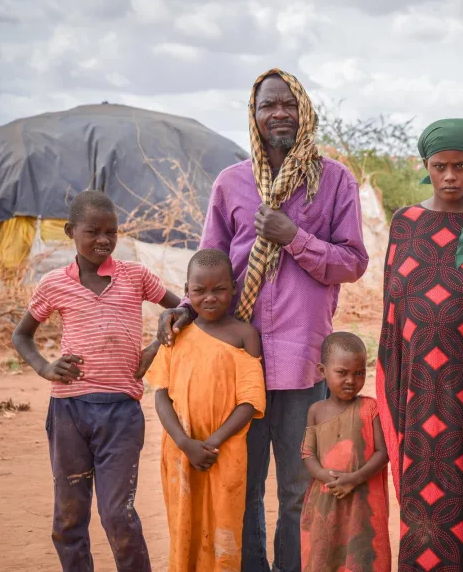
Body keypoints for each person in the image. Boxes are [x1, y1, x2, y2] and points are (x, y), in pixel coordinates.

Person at [157, 69, 368, 572]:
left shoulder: (334, 180)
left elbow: (353, 262)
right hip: (235, 364)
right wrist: (184, 309)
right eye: (267, 105)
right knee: (241, 487)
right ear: (253, 115)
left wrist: (294, 237)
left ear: (304, 111)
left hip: (301, 362)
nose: (279, 113)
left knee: (297, 488)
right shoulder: (230, 183)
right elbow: (209, 264)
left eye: (288, 104)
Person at [12, 190, 181, 572]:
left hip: (121, 413)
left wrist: (155, 346)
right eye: (93, 232)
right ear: (71, 231)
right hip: (69, 411)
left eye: (111, 232)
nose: (104, 240)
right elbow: (21, 335)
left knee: (118, 514)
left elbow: (184, 309)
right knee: (69, 516)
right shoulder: (54, 284)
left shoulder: (136, 276)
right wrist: (44, 367)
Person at [376, 118, 463, 571]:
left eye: (461, 165)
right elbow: (392, 311)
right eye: (440, 166)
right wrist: (392, 382)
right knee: (420, 494)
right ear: (426, 165)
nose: (451, 176)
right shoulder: (405, 223)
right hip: (417, 389)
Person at [147, 249, 267, 572]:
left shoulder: (245, 336)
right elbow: (161, 396)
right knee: (184, 521)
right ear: (187, 291)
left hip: (224, 452)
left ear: (234, 289)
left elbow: (250, 401)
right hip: (180, 451)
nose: (210, 298)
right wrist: (185, 444)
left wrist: (212, 443)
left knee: (223, 524)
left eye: (219, 289)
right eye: (199, 290)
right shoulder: (176, 334)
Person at [300, 332, 390, 572]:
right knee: (325, 554)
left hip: (363, 501)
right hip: (326, 497)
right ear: (322, 370)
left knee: (362, 554)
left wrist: (353, 479)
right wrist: (326, 477)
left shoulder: (370, 408)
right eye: (342, 372)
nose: (351, 380)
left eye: (359, 373)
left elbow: (383, 452)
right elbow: (308, 453)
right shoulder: (316, 411)